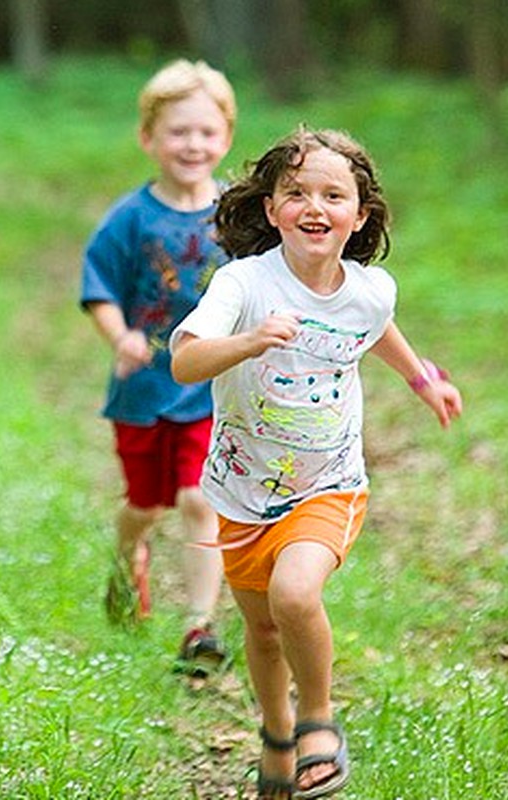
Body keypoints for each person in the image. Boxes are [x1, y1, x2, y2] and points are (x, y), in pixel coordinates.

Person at [170, 127, 462, 798]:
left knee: (295, 594)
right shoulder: (242, 283)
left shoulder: (368, 289)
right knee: (263, 630)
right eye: (296, 192)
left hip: (329, 485)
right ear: (271, 208)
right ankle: (276, 732)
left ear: (359, 216)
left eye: (334, 195)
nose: (314, 206)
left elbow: (374, 324)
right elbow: (185, 361)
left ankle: (318, 719)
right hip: (240, 493)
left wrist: (423, 380)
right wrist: (245, 343)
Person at [80, 59, 237, 675]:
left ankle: (199, 626)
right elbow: (99, 287)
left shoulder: (238, 215)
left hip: (212, 387)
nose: (193, 145)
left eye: (206, 132)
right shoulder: (131, 218)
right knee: (146, 505)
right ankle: (128, 552)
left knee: (200, 497)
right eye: (178, 132)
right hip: (144, 388)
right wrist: (120, 337)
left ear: (225, 137)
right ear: (148, 138)